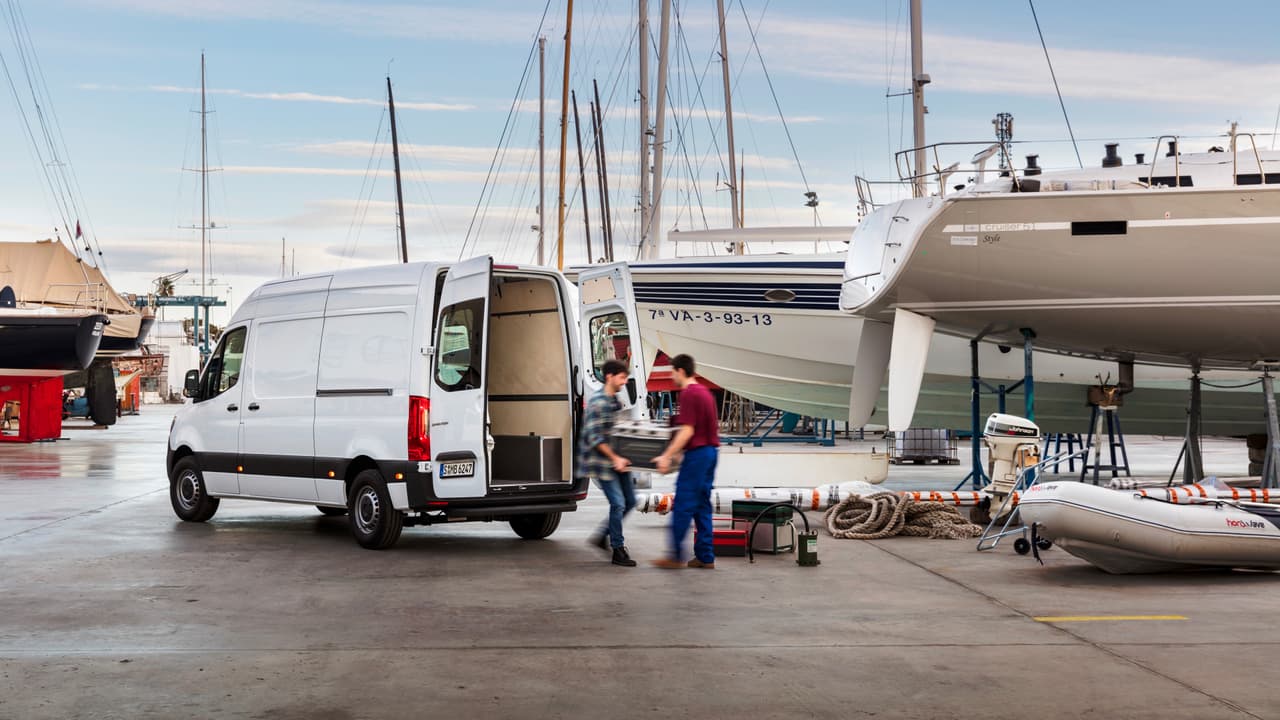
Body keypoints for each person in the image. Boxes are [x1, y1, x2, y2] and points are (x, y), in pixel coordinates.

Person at [652, 353, 719, 569]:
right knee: (701, 505)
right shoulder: (705, 392)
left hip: (698, 455)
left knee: (683, 503)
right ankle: (705, 557)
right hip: (710, 453)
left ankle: (675, 555)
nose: (671, 376)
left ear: (681, 371)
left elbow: (687, 430)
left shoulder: (689, 394)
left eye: (672, 371)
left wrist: (667, 454)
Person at [578, 359, 637, 567]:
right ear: (610, 376)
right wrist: (616, 458)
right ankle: (618, 550)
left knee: (631, 501)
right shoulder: (597, 403)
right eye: (622, 377)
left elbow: (619, 431)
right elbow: (594, 438)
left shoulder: (616, 401)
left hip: (619, 461)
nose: (624, 381)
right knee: (619, 503)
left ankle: (603, 535)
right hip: (603, 464)